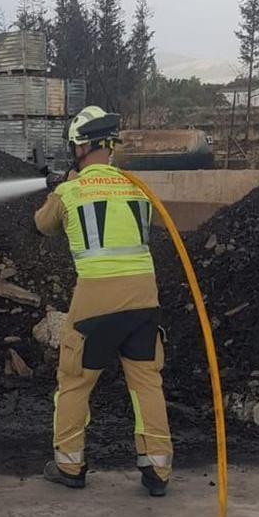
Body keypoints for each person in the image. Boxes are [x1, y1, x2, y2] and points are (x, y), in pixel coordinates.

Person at [33, 105, 172, 496]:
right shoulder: (138, 189)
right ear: (110, 146)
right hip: (145, 299)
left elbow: (42, 226)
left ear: (79, 147)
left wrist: (59, 187)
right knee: (147, 383)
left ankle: (70, 466)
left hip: (96, 301)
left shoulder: (69, 191)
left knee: (75, 382)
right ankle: (158, 470)